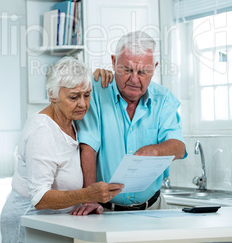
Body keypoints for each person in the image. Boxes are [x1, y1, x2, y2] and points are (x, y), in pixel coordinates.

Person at [0, 57, 123, 243]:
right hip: (28, 224)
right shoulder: (42, 131)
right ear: (52, 94)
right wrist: (89, 194)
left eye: (87, 95)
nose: (83, 104)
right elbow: (40, 198)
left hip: (56, 222)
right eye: (74, 97)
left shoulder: (72, 120)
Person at [72, 31, 186, 216]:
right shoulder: (95, 94)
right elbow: (88, 148)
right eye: (126, 69)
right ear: (114, 62)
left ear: (154, 68)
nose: (134, 79)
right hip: (104, 210)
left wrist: (155, 150)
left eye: (143, 72)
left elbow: (178, 148)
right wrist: (90, 197)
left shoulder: (164, 99)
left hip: (154, 209)